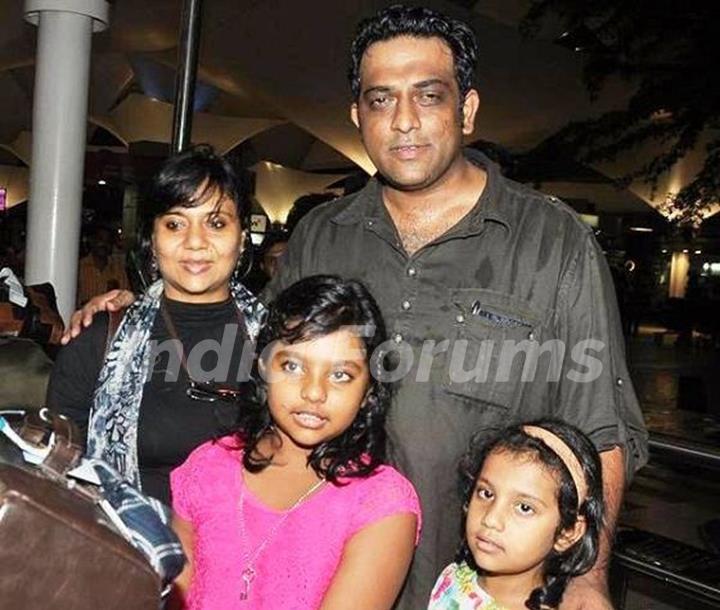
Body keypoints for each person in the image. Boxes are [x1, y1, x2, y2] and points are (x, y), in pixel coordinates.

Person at [63, 6, 648, 608]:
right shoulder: (321, 235)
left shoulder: (551, 243)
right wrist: (151, 308)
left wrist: (587, 580)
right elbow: (260, 354)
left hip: (472, 591)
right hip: (315, 581)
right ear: (356, 116)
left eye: (427, 96)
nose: (403, 122)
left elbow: (598, 429)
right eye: (380, 100)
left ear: (466, 110)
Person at [169, 275, 421, 609]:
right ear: (263, 367)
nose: (314, 392)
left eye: (340, 375)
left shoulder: (382, 504)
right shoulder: (206, 468)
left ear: (368, 392)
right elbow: (173, 596)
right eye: (292, 366)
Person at [47, 145, 264, 504]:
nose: (195, 242)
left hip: (252, 553)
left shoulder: (282, 342)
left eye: (216, 223)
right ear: (153, 240)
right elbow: (58, 473)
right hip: (130, 550)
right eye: (175, 224)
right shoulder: (100, 341)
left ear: (242, 239)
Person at [428, 420, 604, 610]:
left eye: (524, 508)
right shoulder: (453, 577)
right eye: (486, 493)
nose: (491, 519)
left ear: (567, 533)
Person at [77, 224, 130, 305]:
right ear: (92, 241)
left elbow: (126, 298)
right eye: (100, 239)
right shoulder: (80, 268)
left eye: (108, 241)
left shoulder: (118, 270)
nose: (104, 244)